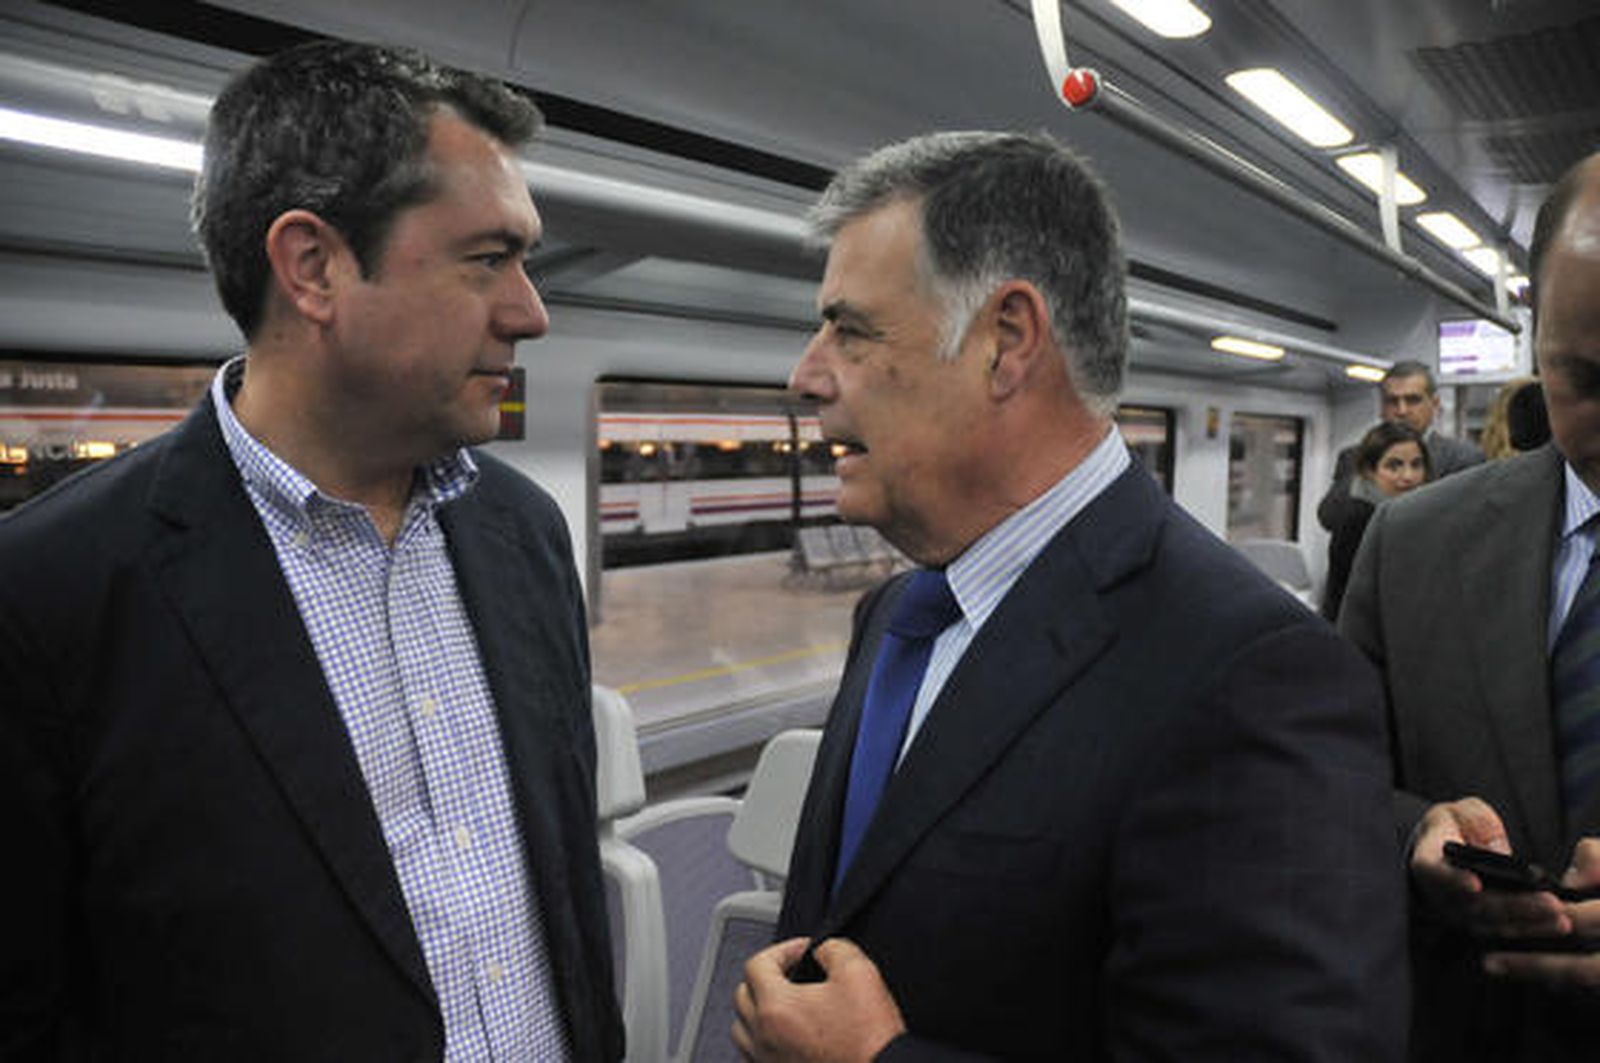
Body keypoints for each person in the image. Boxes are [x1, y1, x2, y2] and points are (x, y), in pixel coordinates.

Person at [0, 42, 623, 1060]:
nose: (531, 312)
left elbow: (561, 897)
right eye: (487, 259)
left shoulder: (523, 535)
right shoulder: (50, 593)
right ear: (315, 266)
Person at [732, 130, 1406, 1060]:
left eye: (850, 329)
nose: (806, 375)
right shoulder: (898, 617)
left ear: (1006, 342)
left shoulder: (1253, 676)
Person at [1339, 150, 1600, 1062]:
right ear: (1535, 336)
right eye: (1587, 379)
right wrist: (1413, 830)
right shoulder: (1412, 547)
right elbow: (1331, 784)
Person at [1317, 360, 1483, 531]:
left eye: (1413, 400)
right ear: (1382, 408)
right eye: (1392, 401)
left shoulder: (1463, 458)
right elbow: (1329, 518)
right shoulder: (1354, 455)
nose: (1401, 410)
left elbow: (1468, 526)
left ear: (1434, 405)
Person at [1321, 420, 1430, 621]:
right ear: (1369, 471)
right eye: (1394, 466)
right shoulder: (1358, 519)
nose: (1408, 476)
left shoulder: (1408, 515)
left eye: (1416, 465)